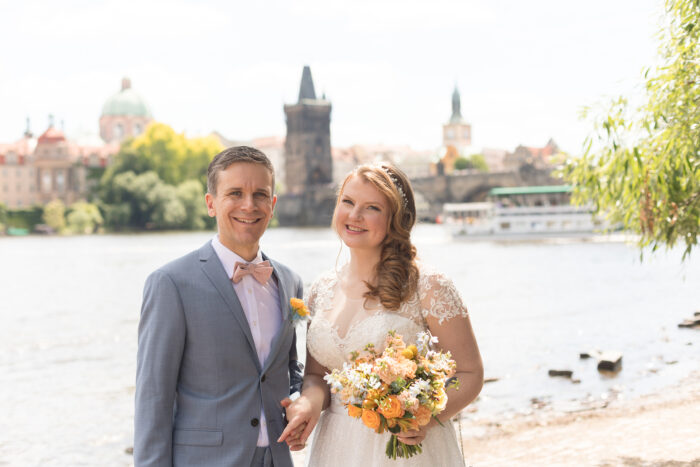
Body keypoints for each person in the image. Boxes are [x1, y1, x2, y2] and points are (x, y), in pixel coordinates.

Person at [279, 163, 484, 466]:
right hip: (335, 448)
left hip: (403, 450)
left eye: (372, 207)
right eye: (348, 202)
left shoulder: (429, 287)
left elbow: (469, 374)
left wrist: (424, 417)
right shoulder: (321, 289)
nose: (354, 215)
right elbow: (316, 376)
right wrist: (307, 406)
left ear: (396, 219)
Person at [135, 146, 304, 467]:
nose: (249, 205)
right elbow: (153, 398)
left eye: (260, 194)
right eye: (235, 193)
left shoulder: (290, 282)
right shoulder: (171, 283)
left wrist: (298, 403)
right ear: (211, 203)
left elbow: (289, 369)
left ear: (273, 204)